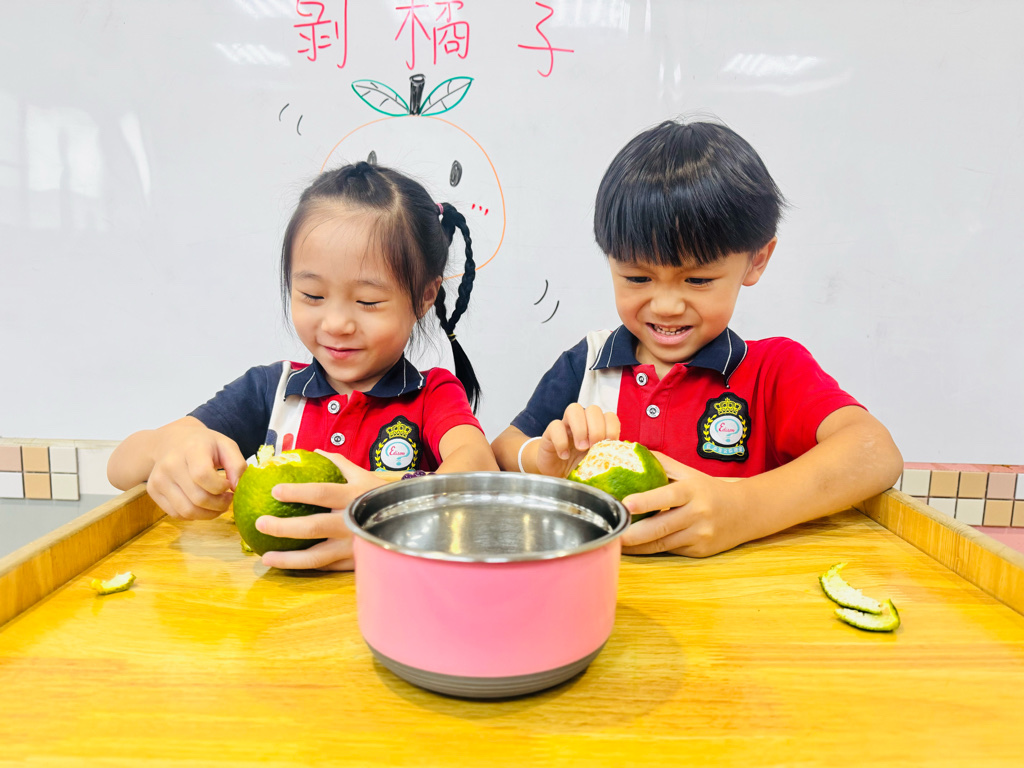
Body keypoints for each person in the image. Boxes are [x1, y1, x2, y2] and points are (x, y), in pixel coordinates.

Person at [491, 119, 903, 558]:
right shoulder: (587, 362)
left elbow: (874, 452)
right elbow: (503, 448)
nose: (666, 305)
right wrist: (543, 460)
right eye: (637, 277)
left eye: (698, 280)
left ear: (756, 260)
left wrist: (742, 509)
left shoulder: (773, 371)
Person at [108, 162, 498, 570]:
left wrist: (387, 512)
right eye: (312, 295)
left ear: (424, 297)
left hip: (390, 595)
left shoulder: (432, 395)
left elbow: (477, 468)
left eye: (368, 302)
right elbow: (121, 468)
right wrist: (167, 448)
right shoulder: (271, 389)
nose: (336, 324)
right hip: (274, 602)